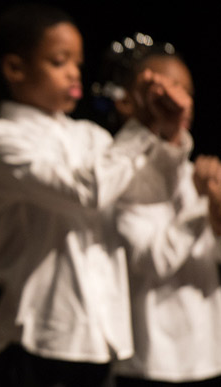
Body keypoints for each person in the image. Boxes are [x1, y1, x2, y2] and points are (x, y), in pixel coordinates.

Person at [0, 4, 193, 387]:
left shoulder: (92, 136)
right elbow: (88, 190)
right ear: (15, 68)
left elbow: (152, 193)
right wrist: (142, 128)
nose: (73, 73)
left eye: (77, 63)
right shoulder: (3, 137)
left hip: (102, 330)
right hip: (43, 330)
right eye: (59, 61)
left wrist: (170, 134)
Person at [96, 35, 221, 387]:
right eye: (167, 89)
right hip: (152, 362)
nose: (179, 100)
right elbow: (153, 261)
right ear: (126, 102)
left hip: (208, 354)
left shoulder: (193, 171)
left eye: (186, 90)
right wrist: (199, 208)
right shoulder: (121, 175)